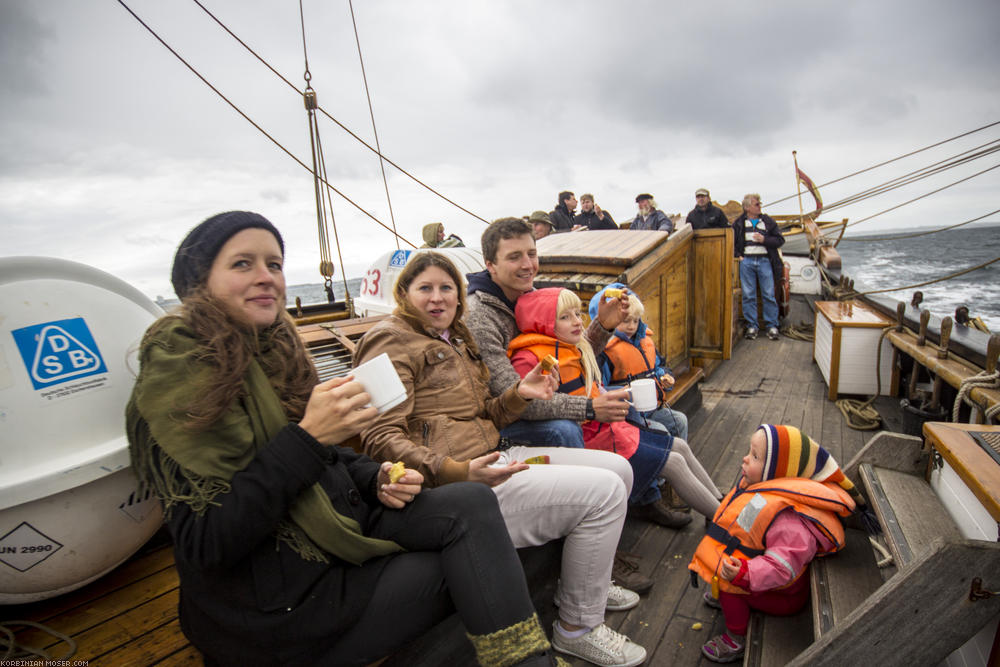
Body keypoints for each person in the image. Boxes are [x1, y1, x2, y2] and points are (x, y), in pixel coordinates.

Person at [125, 212, 563, 667]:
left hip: (337, 522)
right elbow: (206, 545)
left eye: (274, 265)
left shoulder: (274, 355)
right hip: (280, 601)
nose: (266, 277)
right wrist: (309, 437)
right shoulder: (181, 385)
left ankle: (524, 658)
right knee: (467, 566)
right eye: (242, 264)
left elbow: (331, 455)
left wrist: (378, 477)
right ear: (199, 284)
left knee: (471, 504)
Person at [355, 252, 648, 667]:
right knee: (603, 494)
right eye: (425, 288)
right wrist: (458, 472)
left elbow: (486, 414)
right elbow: (379, 436)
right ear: (404, 294)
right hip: (455, 486)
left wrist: (519, 395)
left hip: (492, 455)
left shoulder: (455, 339)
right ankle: (578, 627)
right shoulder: (387, 341)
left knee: (619, 468)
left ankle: (589, 585)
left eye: (446, 288)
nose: (437, 298)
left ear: (459, 296)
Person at [465, 216, 657, 594]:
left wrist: (601, 326)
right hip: (498, 421)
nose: (527, 265)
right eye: (514, 257)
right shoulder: (482, 316)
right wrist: (588, 409)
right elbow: (519, 398)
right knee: (562, 429)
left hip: (534, 402)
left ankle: (642, 495)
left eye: (532, 254)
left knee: (629, 406)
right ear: (491, 265)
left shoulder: (527, 293)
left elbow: (566, 358)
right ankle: (581, 527)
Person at [506, 287, 723, 527]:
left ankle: (721, 503)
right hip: (590, 440)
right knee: (673, 463)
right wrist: (590, 407)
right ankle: (726, 523)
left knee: (679, 446)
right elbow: (529, 405)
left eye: (578, 314)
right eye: (565, 317)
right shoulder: (529, 359)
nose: (578, 322)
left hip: (611, 430)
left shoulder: (573, 346)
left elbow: (591, 351)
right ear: (541, 322)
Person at [689, 424, 863, 663]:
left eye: (755, 456)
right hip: (770, 584)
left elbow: (782, 567)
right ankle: (732, 593)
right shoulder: (763, 495)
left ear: (777, 472)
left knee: (732, 587)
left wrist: (745, 574)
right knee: (727, 573)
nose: (745, 458)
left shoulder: (790, 521)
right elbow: (747, 530)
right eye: (749, 452)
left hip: (783, 596)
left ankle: (734, 639)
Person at [589, 286, 688, 441]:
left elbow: (659, 366)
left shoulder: (645, 342)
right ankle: (663, 462)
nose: (631, 326)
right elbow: (598, 388)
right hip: (628, 416)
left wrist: (665, 377)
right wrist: (626, 392)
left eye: (636, 321)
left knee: (680, 421)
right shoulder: (605, 352)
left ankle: (678, 454)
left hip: (652, 408)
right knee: (660, 431)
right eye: (626, 321)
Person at [732, 193, 784, 340]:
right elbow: (732, 243)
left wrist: (764, 240)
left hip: (764, 261)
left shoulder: (768, 222)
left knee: (768, 294)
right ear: (747, 207)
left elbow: (780, 240)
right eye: (757, 204)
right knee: (748, 295)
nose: (760, 206)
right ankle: (752, 326)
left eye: (760, 204)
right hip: (746, 262)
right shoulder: (738, 223)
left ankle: (772, 326)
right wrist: (739, 256)